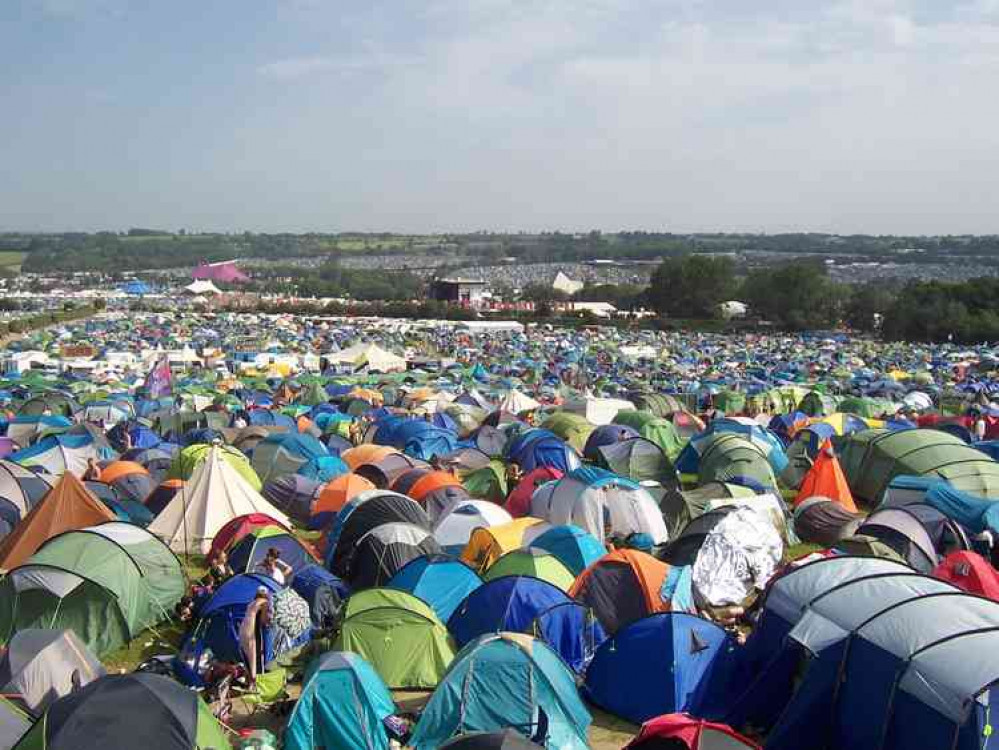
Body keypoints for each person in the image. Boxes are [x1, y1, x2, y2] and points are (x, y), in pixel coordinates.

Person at [239, 587, 271, 685]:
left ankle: (250, 685)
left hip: (242, 630)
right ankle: (259, 684)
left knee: (248, 658)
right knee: (256, 656)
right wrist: (269, 622)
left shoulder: (251, 603)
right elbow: (263, 620)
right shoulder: (264, 602)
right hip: (252, 630)